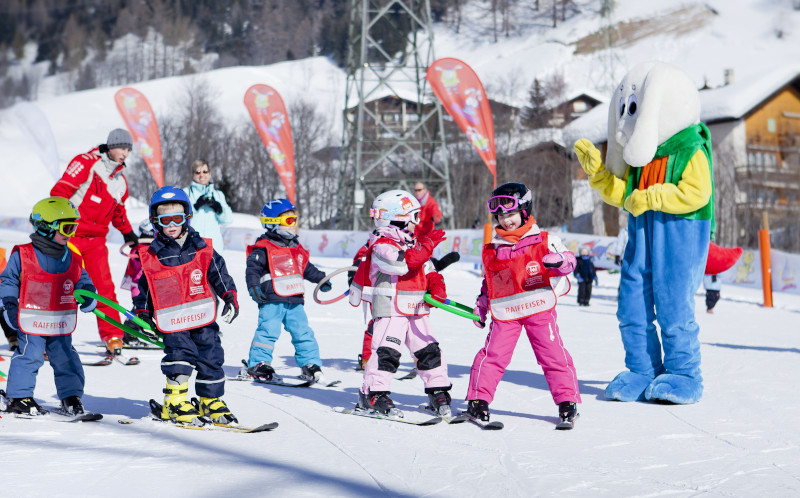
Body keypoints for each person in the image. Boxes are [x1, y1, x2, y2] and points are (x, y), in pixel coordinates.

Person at [468, 182, 581, 428]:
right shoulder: (492, 249)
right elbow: (490, 284)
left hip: (538, 309)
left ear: (525, 211)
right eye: (501, 216)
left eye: (511, 214)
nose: (506, 221)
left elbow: (570, 261)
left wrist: (560, 261)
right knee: (492, 356)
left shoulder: (545, 239)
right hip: (506, 313)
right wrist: (482, 306)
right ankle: (478, 401)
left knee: (552, 356)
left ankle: (566, 402)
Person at [134, 186, 239, 425]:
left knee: (211, 355)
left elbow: (220, 275)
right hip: (173, 320)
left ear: (187, 217)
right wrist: (142, 313)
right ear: (155, 221)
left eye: (177, 218)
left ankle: (209, 400)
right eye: (165, 219)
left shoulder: (202, 248)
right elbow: (146, 288)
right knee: (181, 355)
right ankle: (175, 401)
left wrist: (230, 296)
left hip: (202, 316)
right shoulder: (153, 256)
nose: (172, 224)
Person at [348, 190, 452, 416]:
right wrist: (426, 247)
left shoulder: (411, 242)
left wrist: (437, 285)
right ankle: (373, 393)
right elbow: (402, 265)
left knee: (428, 350)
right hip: (390, 309)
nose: (417, 223)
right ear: (396, 218)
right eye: (414, 217)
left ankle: (437, 389)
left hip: (416, 309)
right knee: (387, 351)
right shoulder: (381, 245)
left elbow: (428, 268)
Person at [0, 197, 98, 415]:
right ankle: (19, 397)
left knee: (66, 356)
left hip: (59, 321)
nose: (71, 233)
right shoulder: (23, 254)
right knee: (29, 355)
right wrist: (8, 304)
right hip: (31, 318)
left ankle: (70, 397)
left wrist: (89, 294)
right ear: (45, 227)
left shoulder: (71, 257)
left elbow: (82, 279)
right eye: (67, 227)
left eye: (74, 227)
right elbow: (8, 280)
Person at [51, 128, 139, 356]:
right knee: (62, 287)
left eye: (128, 149)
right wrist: (55, 223)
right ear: (110, 146)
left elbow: (118, 213)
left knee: (104, 288)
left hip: (97, 242)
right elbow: (60, 191)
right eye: (122, 147)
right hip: (70, 235)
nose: (125, 153)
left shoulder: (121, 182)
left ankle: (113, 336)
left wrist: (128, 233)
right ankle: (49, 336)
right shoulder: (86, 162)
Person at [244, 199, 332, 384]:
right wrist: (254, 288)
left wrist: (321, 279)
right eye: (289, 221)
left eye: (295, 220)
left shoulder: (296, 248)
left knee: (303, 332)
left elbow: (307, 268)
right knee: (268, 331)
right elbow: (252, 270)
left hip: (295, 301)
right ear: (273, 223)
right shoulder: (263, 248)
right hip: (271, 300)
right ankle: (258, 363)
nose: (294, 226)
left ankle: (310, 364)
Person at [119, 219, 156, 347]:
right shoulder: (139, 250)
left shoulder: (145, 248)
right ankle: (129, 334)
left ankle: (141, 332)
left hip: (148, 288)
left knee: (145, 311)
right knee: (138, 312)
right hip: (140, 289)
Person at [183, 159, 233, 251]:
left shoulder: (218, 194)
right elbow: (181, 220)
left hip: (214, 247)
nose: (202, 175)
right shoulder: (186, 193)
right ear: (192, 174)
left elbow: (228, 220)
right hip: (192, 246)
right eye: (198, 172)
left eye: (205, 171)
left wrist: (219, 209)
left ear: (209, 173)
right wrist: (195, 207)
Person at [413, 181, 459, 272]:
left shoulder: (430, 202)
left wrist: (436, 217)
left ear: (425, 190)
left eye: (419, 190)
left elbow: (435, 211)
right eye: (415, 190)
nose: (417, 192)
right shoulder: (414, 203)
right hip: (414, 238)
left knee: (426, 263)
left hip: (425, 240)